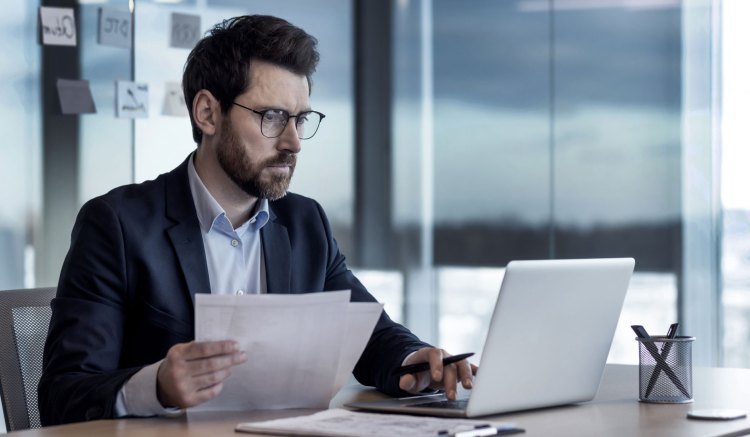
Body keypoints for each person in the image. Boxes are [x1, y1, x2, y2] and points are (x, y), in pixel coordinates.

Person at [38, 15, 474, 426]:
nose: (293, 142)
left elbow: (370, 335)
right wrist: (157, 386)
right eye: (272, 117)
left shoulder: (306, 224)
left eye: (300, 119)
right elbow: (62, 395)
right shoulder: (116, 225)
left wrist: (414, 358)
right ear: (207, 113)